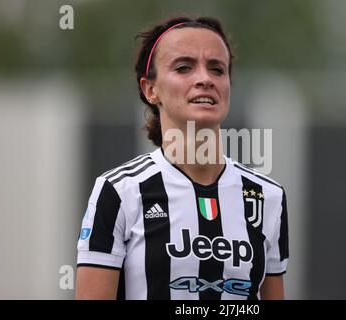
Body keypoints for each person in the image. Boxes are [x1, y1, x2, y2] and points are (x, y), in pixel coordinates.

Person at [75, 16, 289, 300]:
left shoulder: (268, 196)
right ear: (150, 89)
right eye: (184, 67)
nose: (205, 79)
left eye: (217, 69)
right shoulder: (119, 191)